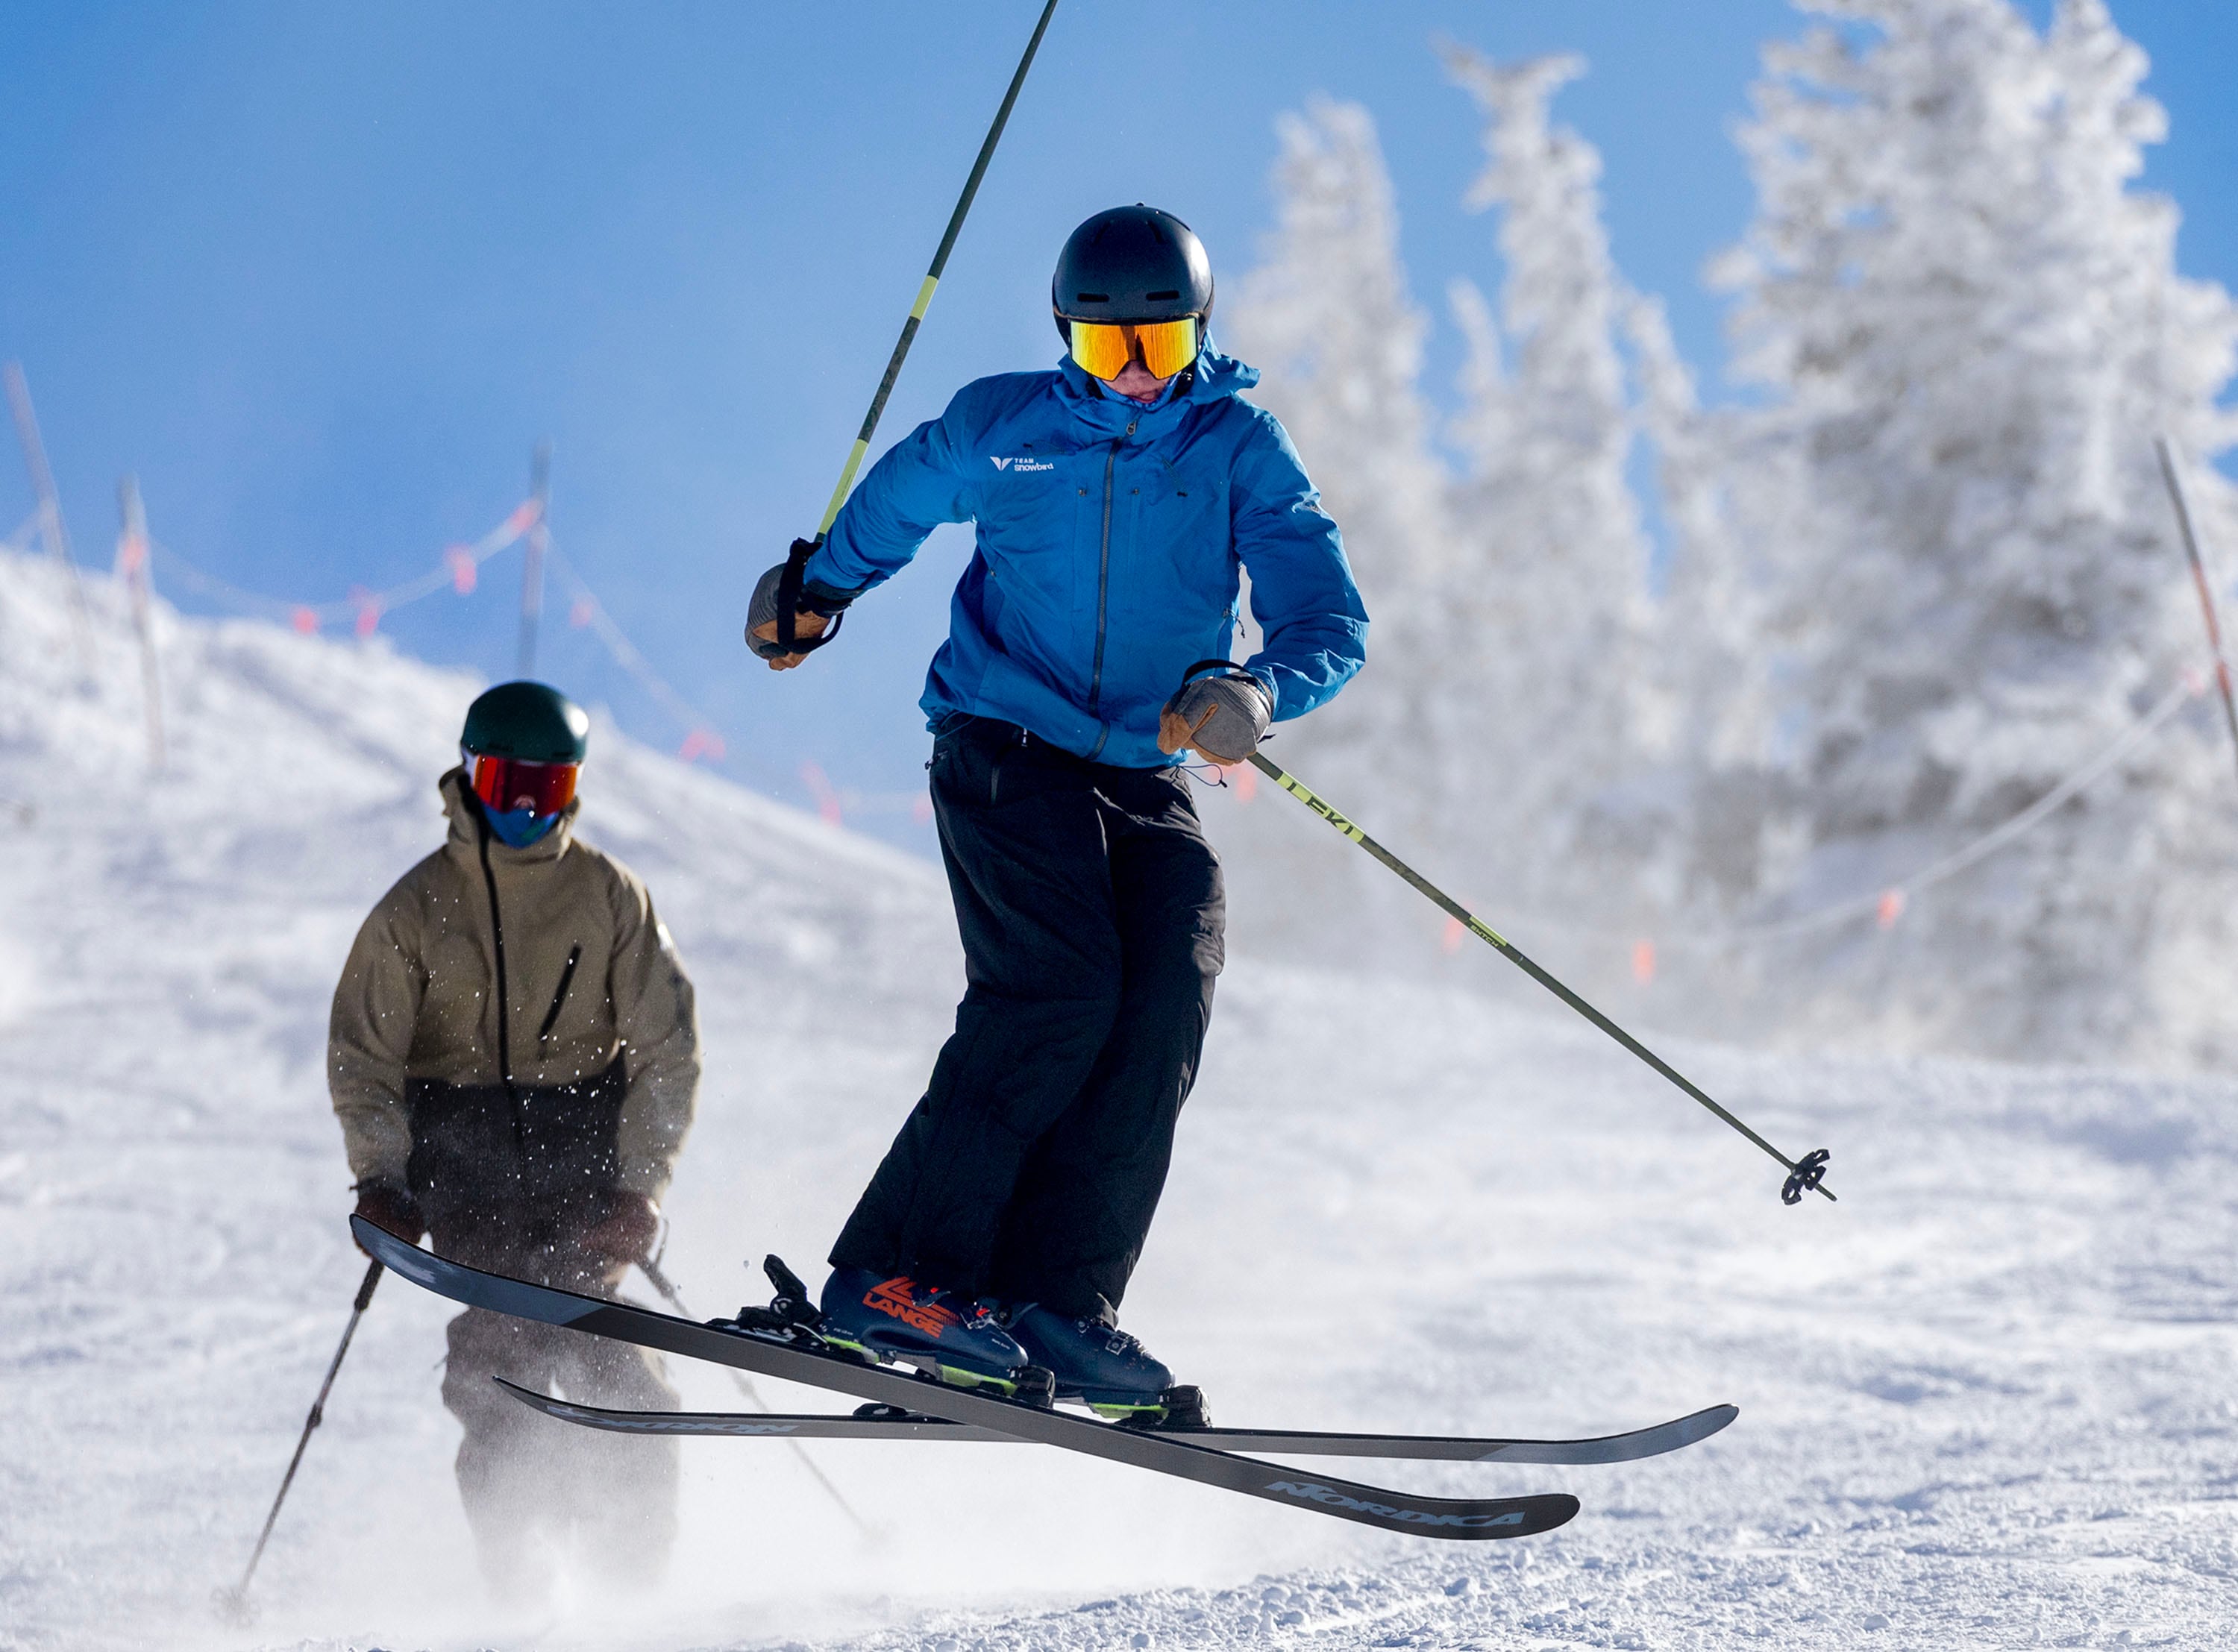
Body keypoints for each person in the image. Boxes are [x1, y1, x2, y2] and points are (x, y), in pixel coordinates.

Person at [748, 204, 1367, 1417]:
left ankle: (1055, 1304)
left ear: (1200, 334)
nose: (1133, 373)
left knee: (1164, 994)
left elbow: (1325, 613)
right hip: (1006, 741)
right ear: (1064, 336)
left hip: (1145, 769)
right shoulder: (1008, 426)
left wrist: (1256, 688)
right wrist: (818, 588)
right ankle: (898, 1278)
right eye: (1103, 346)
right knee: (1058, 988)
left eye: (1158, 345)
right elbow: (902, 496)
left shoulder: (1237, 445)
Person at [328, 681, 700, 1600]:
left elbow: (667, 1049)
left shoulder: (608, 896)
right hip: (465, 1162)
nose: (527, 808)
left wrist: (641, 1187)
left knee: (617, 1365)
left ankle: (634, 1592)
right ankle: (522, 1583)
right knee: (502, 1354)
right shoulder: (417, 907)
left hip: (583, 1153)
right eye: (507, 784)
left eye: (549, 785)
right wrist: (382, 1179)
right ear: (469, 775)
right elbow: (365, 1057)